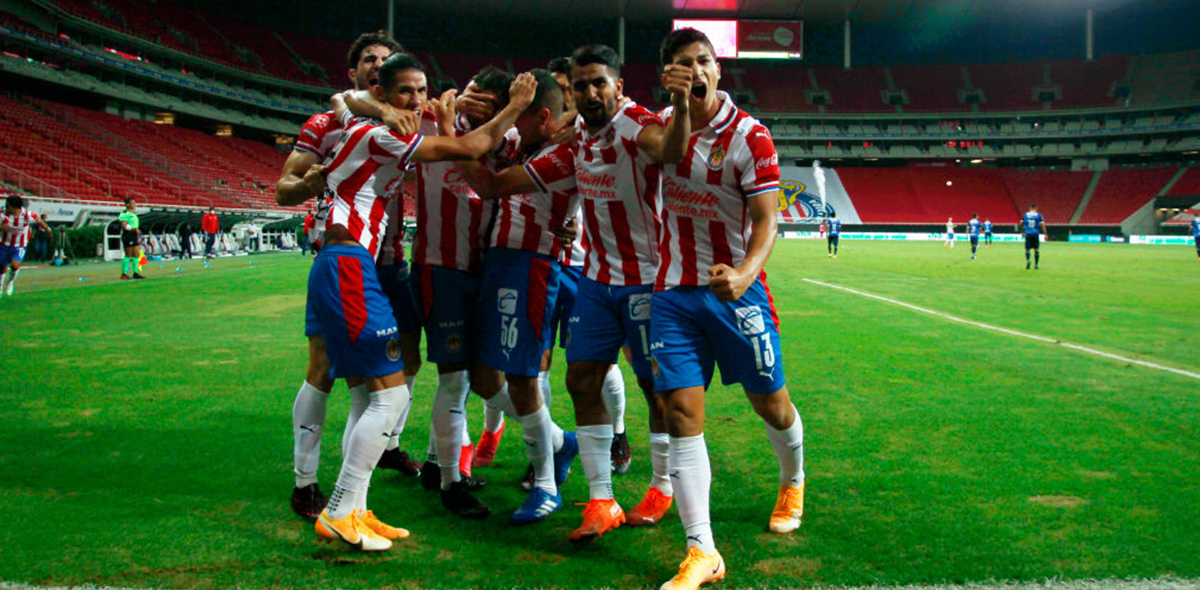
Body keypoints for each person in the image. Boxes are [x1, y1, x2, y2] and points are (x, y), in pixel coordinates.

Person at [457, 43, 692, 543]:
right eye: (580, 85)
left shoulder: (635, 124)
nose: (588, 92)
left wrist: (684, 103)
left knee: (659, 388)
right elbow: (501, 185)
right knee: (581, 379)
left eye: (597, 82)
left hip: (647, 280)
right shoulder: (577, 141)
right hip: (596, 279)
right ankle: (601, 500)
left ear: (618, 87)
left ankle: (662, 483)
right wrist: (458, 141)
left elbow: (670, 148)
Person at [310, 53, 536, 551]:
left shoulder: (384, 129)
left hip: (360, 263)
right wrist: (514, 105)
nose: (415, 101)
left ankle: (353, 507)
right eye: (404, 93)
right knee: (387, 395)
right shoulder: (386, 131)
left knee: (381, 394)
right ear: (383, 96)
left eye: (420, 91)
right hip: (358, 262)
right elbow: (471, 143)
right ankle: (338, 508)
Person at [651, 28, 805, 590]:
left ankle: (794, 478)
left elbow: (766, 221)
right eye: (684, 64)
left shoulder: (752, 137)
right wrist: (677, 107)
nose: (697, 71)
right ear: (667, 74)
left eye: (705, 61)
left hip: (735, 294)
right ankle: (702, 551)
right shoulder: (660, 128)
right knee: (680, 415)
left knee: (772, 404)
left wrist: (742, 273)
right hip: (671, 293)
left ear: (719, 69)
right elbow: (667, 154)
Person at [274, 31, 420, 523]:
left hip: (391, 260)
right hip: (344, 257)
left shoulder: (406, 115)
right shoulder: (327, 124)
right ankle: (306, 483)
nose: (377, 65)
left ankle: (375, 463)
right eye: (368, 60)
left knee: (393, 368)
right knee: (324, 368)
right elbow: (283, 190)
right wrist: (312, 181)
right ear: (354, 71)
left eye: (385, 59)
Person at [0, 195, 53, 296]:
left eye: (8, 206)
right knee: (1, 268)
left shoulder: (27, 215)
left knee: (15, 266)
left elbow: (40, 222)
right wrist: (2, 227)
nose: (6, 208)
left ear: (15, 207)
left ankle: (10, 282)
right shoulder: (2, 214)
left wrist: (49, 232)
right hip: (4, 244)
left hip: (19, 245)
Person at [118, 197, 145, 280]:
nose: (134, 204)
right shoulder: (124, 214)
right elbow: (124, 225)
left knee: (137, 254)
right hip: (128, 235)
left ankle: (135, 272)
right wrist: (134, 229)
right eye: (132, 203)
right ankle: (123, 274)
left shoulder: (133, 214)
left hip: (133, 235)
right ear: (127, 204)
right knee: (128, 254)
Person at [1022, 204, 1045, 269]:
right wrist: (1045, 233)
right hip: (1035, 233)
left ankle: (1028, 260)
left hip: (1028, 233)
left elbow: (1021, 223)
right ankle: (1036, 265)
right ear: (1036, 208)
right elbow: (1042, 225)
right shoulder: (1039, 215)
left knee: (1027, 249)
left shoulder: (1026, 215)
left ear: (1030, 208)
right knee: (1036, 249)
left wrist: (1022, 232)